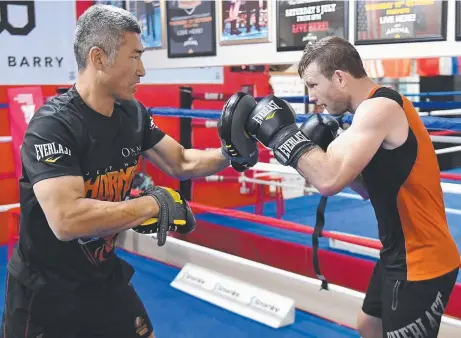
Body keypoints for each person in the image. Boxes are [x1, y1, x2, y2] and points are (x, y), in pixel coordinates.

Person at [1, 5, 257, 338]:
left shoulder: (132, 113)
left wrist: (233, 152)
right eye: (134, 57)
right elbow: (67, 219)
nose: (143, 71)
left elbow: (181, 161)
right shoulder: (54, 126)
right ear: (98, 58)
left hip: (103, 280)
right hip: (47, 295)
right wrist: (152, 205)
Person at [220, 36, 460, 338]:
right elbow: (364, 188)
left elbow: (328, 181)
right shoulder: (366, 115)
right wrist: (321, 150)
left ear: (339, 77)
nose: (311, 97)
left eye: (313, 84)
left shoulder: (379, 108)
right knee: (369, 325)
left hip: (423, 261)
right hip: (397, 252)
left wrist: (281, 134)